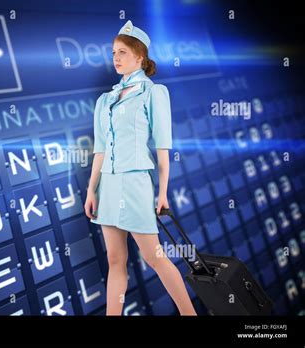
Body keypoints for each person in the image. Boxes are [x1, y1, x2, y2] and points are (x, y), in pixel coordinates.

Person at [84, 20, 197, 316]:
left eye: (122, 52)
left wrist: (163, 193)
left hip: (134, 182)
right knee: (115, 260)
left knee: (154, 257)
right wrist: (91, 190)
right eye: (113, 53)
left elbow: (162, 147)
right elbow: (99, 149)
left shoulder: (153, 93)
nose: (116, 59)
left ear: (140, 57)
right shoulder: (105, 99)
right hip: (107, 185)